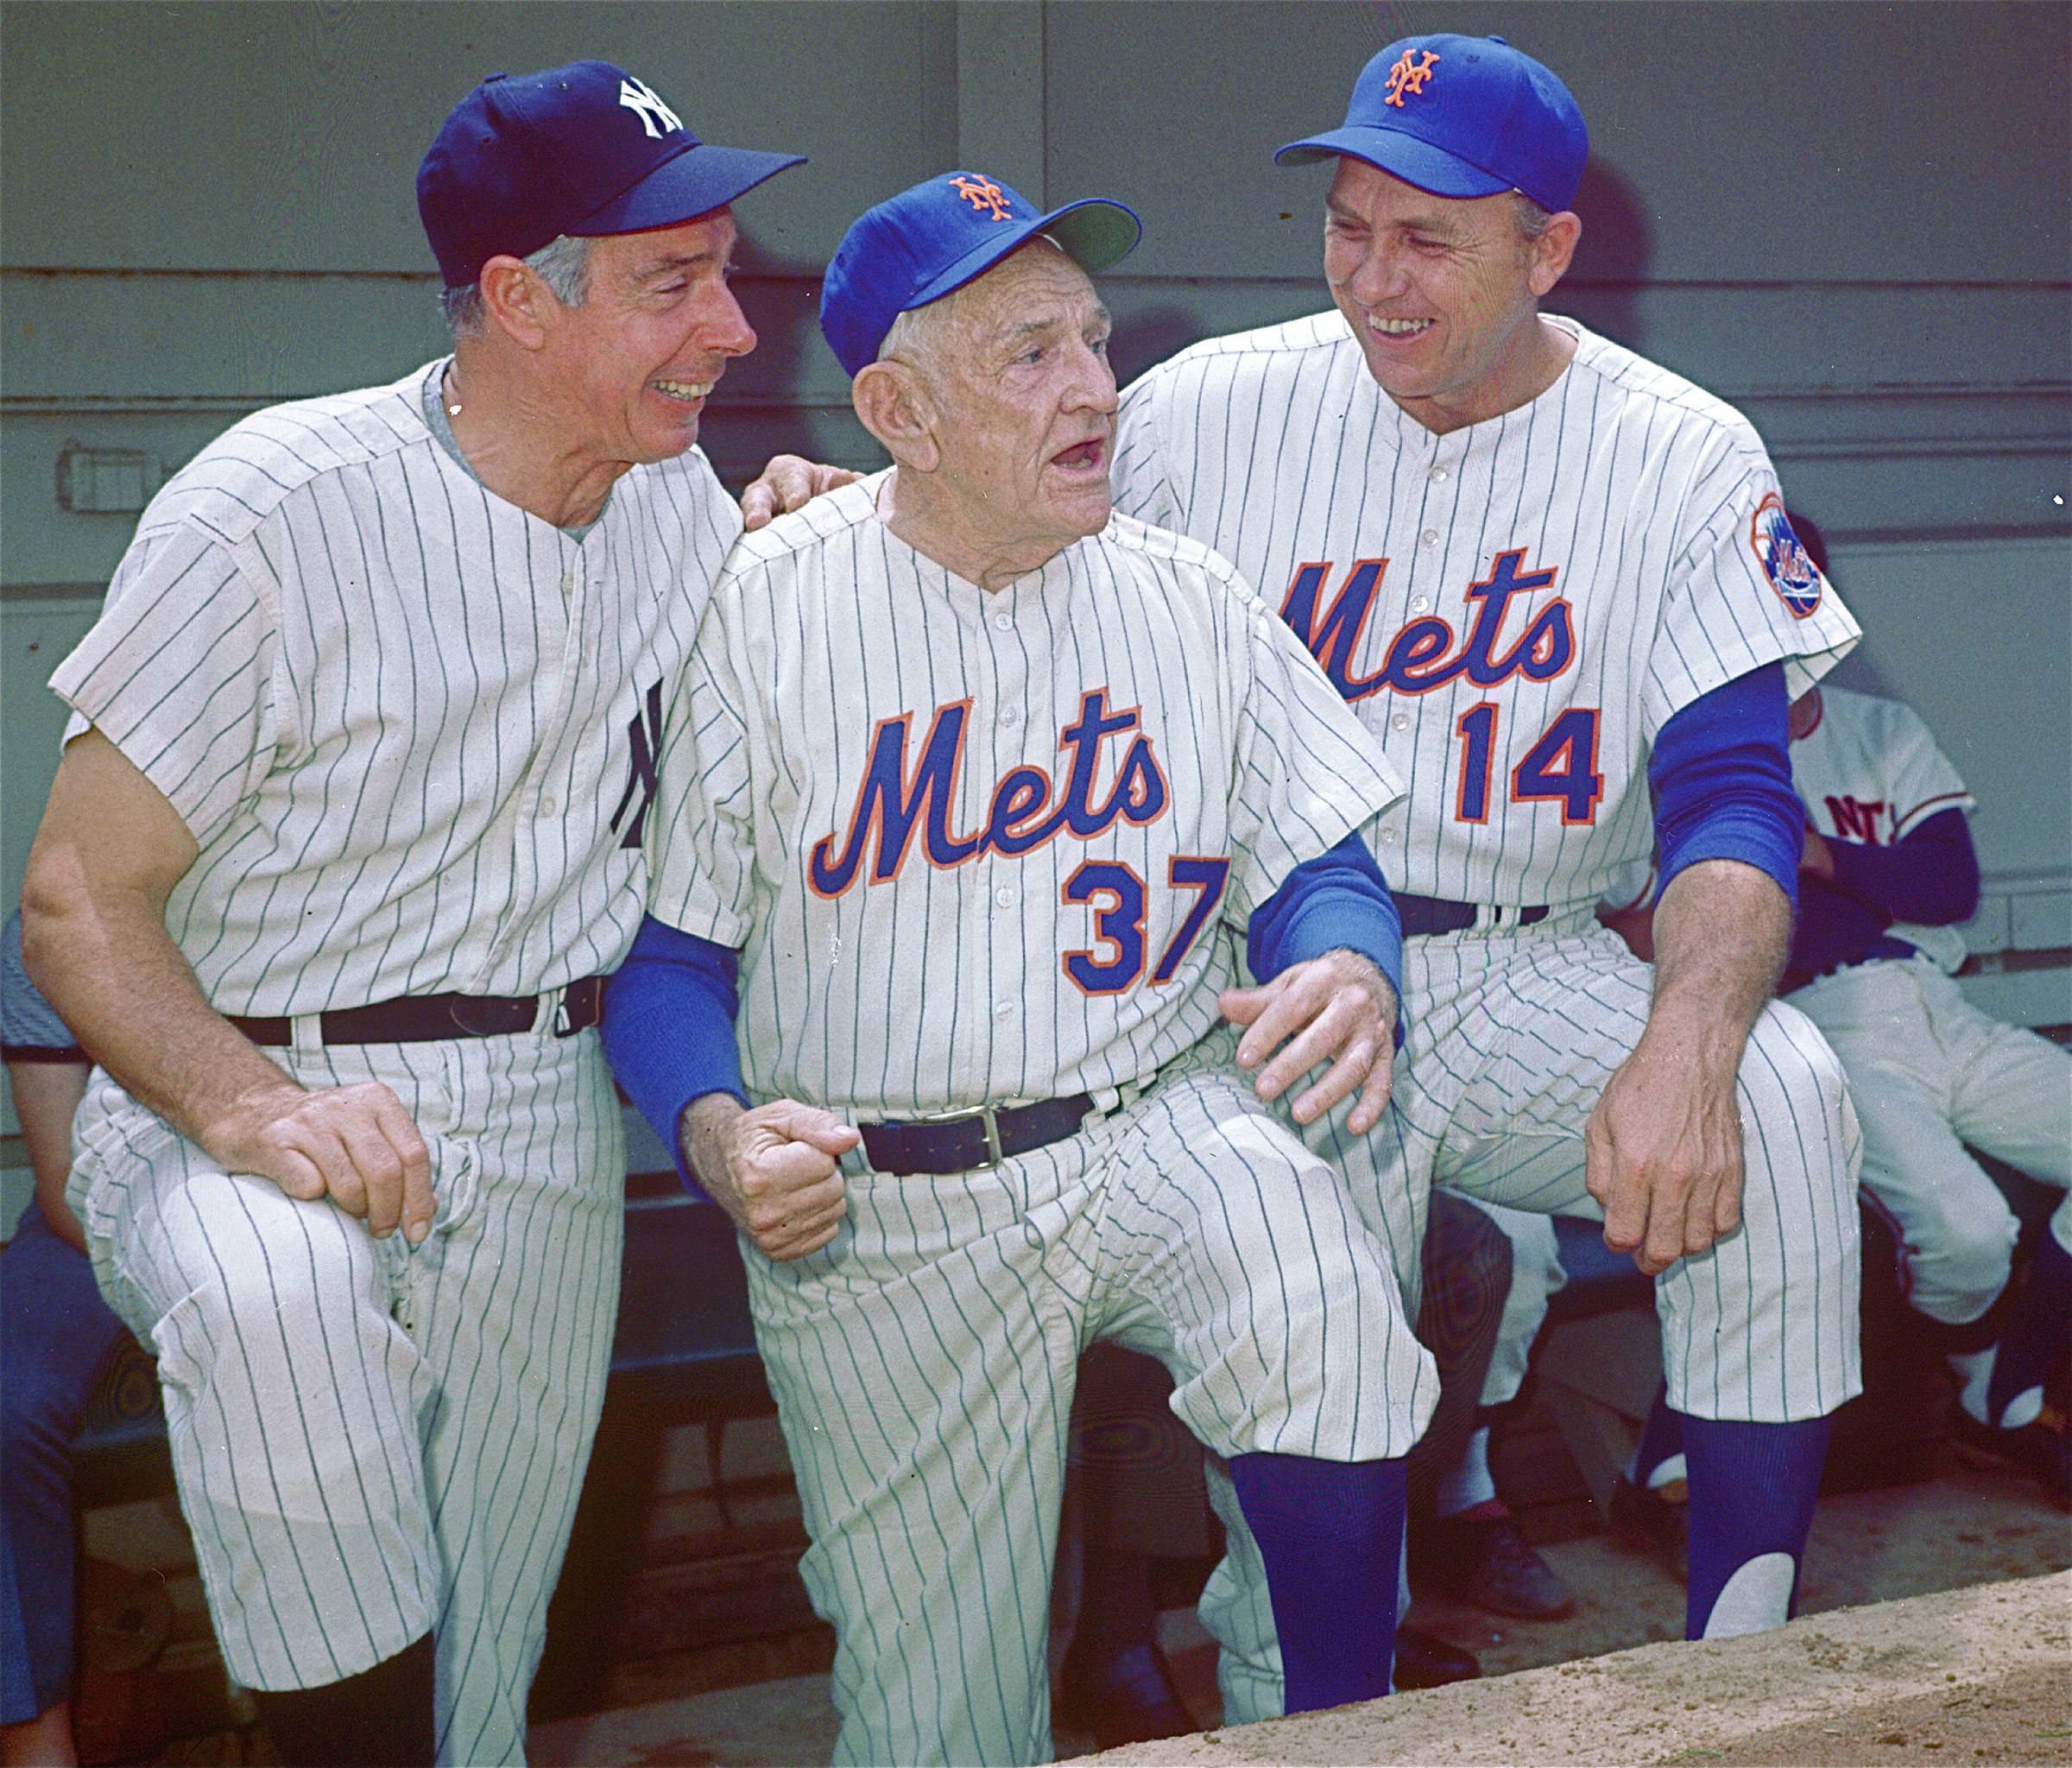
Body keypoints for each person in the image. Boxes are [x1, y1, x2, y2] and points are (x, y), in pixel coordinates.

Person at [19, 61, 803, 1767]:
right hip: (237, 1089)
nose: (735, 330)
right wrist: (251, 1106)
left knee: (481, 1663)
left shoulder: (685, 511)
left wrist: (812, 535)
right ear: (522, 299)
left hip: (533, 1114)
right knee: (284, 1315)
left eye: (726, 273)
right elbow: (77, 900)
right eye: (676, 284)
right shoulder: (274, 507)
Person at [605, 171, 1427, 1765]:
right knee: (940, 1722)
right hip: (883, 1197)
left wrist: (1348, 960)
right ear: (899, 409)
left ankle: (1338, 1727)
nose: (1097, 390)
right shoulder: (761, 608)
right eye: (1031, 355)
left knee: (1318, 1285)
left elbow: (1323, 859)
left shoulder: (1187, 592)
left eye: (1095, 342)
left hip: (1150, 1114)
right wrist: (717, 1133)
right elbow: (666, 959)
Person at [1100, 33, 1868, 1647]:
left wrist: (1689, 1035)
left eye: (1428, 236)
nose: (1374, 276)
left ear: (1550, 249)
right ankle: (1301, 1704)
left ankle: (1749, 1653)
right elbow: (990, 543)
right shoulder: (1203, 411)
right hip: (1272, 976)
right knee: (1318, 1378)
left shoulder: (1681, 445)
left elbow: (1734, 791)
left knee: (1787, 1096)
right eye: (1348, 225)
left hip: (1529, 960)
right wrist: (828, 499)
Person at [3, 910, 124, 1768]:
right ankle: (32, 1728)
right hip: (97, 1218)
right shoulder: (43, 935)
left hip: (304, 1211)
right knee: (5, 1399)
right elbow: (63, 1184)